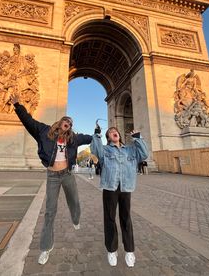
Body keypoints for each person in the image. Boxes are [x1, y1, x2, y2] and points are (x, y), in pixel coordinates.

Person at [10, 94, 92, 265]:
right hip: (53, 177)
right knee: (50, 211)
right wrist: (18, 105)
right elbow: (28, 121)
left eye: (71, 123)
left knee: (74, 202)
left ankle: (76, 219)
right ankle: (46, 248)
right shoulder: (43, 131)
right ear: (61, 122)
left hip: (68, 175)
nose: (68, 123)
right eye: (66, 120)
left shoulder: (73, 139)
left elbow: (87, 137)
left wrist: (97, 135)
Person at [90, 126, 148, 268]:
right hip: (110, 187)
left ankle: (129, 251)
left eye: (115, 131)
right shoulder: (105, 150)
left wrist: (138, 138)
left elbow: (145, 154)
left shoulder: (130, 149)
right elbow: (95, 150)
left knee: (126, 218)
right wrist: (97, 135)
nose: (113, 132)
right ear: (108, 137)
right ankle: (112, 250)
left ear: (119, 134)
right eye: (109, 132)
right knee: (110, 218)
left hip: (126, 187)